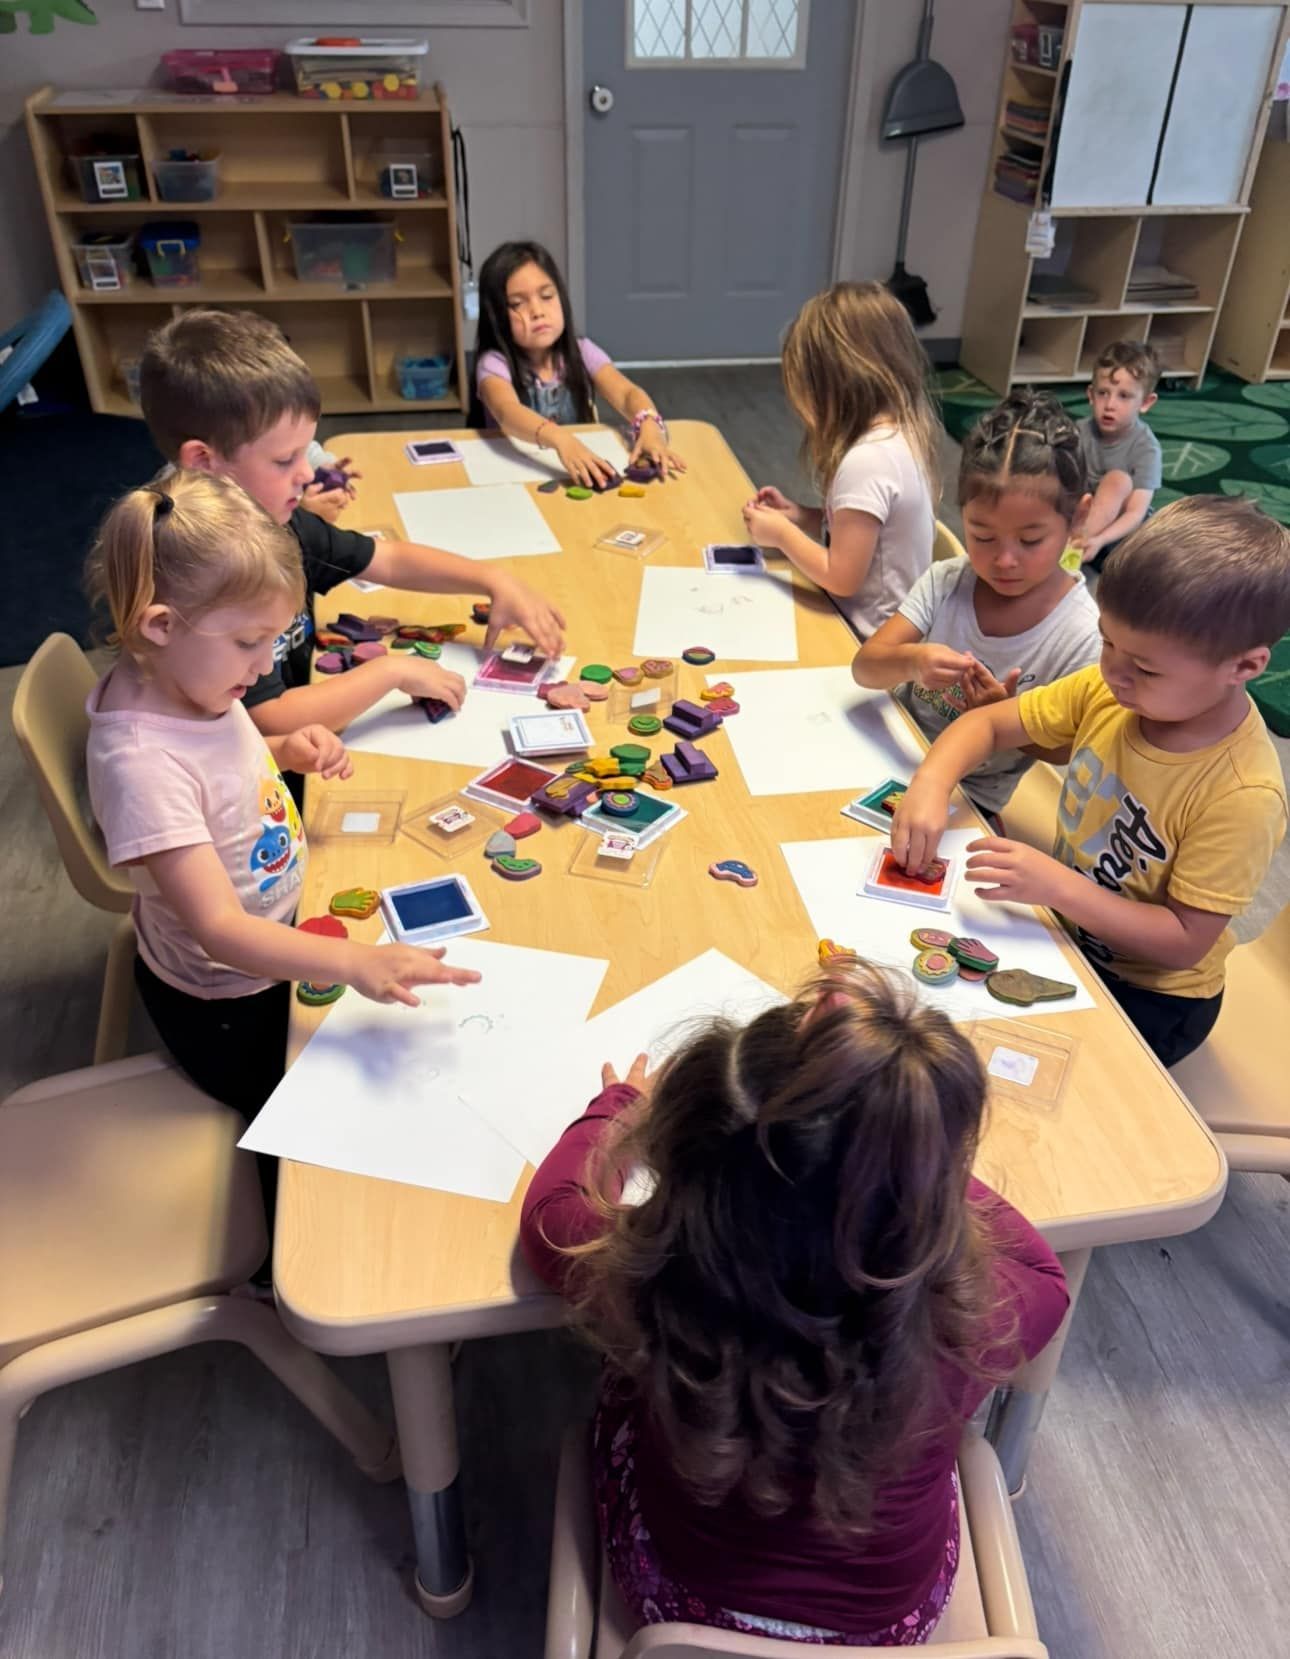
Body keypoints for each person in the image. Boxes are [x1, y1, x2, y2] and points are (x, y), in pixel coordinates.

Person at [521, 965, 1069, 1645]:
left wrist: (619, 1103)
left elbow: (550, 1218)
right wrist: (900, 1148)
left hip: (681, 1605)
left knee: (619, 1385)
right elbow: (1045, 1274)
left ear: (682, 1154)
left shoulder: (655, 1282)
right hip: (889, 1629)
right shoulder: (963, 1324)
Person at [84, 471, 482, 1121]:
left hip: (281, 934)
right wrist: (352, 961)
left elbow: (211, 774)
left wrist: (279, 751)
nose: (268, 664)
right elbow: (220, 930)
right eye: (250, 642)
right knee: (333, 1119)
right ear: (160, 624)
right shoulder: (140, 764)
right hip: (231, 1005)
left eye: (274, 638)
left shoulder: (187, 677)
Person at [893, 495, 1290, 1069]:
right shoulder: (1112, 687)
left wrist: (1058, 887)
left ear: (1245, 667)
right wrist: (930, 784)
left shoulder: (1243, 794)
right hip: (1069, 930)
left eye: (1146, 668)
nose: (1113, 673)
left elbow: (1184, 941)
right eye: (1106, 642)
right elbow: (986, 724)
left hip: (1151, 995)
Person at [139, 309, 565, 739]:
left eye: (306, 451)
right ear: (203, 461)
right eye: (285, 460)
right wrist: (390, 673)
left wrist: (492, 580)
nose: (307, 473)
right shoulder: (206, 572)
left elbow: (387, 560)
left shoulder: (270, 521)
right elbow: (269, 718)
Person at [853, 392, 1100, 822]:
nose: (1004, 560)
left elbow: (1067, 749)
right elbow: (865, 667)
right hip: (895, 753)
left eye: (1030, 540)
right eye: (983, 536)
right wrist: (912, 661)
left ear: (1078, 519)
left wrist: (1003, 719)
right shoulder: (948, 581)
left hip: (972, 797)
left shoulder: (1082, 636)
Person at [741, 281, 939, 639]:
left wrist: (781, 535)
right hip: (886, 632)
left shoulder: (868, 461)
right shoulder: (896, 437)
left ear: (831, 385)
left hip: (866, 642)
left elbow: (842, 577)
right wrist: (803, 517)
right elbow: (868, 535)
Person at [474, 239, 686, 488]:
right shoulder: (493, 363)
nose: (537, 311)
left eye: (546, 296)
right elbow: (507, 411)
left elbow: (627, 393)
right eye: (517, 304)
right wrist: (561, 440)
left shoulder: (582, 351)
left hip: (576, 474)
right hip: (513, 476)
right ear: (496, 316)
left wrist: (648, 425)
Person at [1071, 340, 1162, 570]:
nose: (1110, 404)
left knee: (1118, 480)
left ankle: (1071, 549)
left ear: (1146, 402)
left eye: (1124, 396)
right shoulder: (1077, 432)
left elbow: (1135, 513)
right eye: (1103, 393)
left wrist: (1100, 539)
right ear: (1091, 395)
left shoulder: (1147, 448)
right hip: (1080, 517)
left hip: (1121, 538)